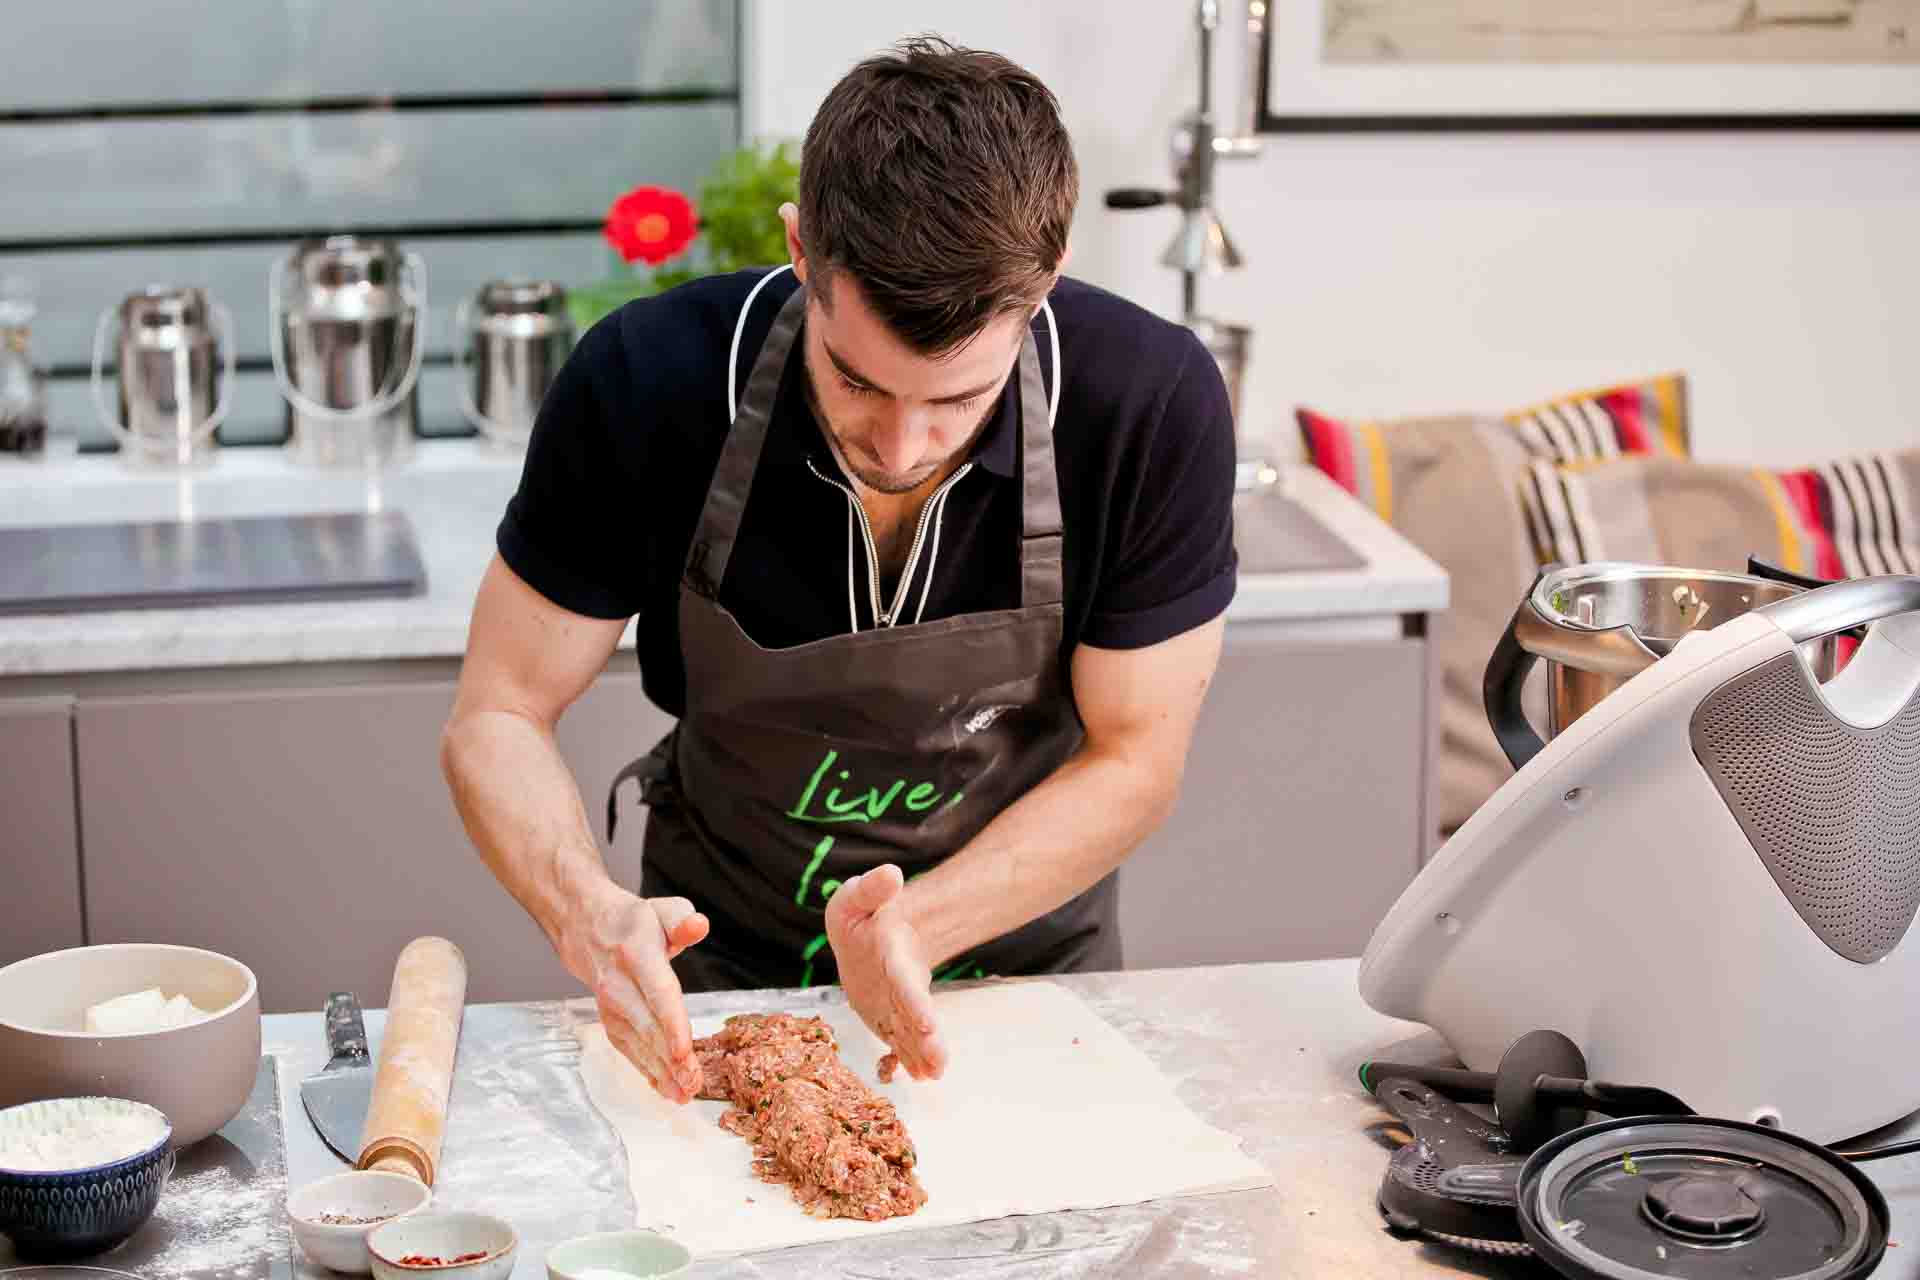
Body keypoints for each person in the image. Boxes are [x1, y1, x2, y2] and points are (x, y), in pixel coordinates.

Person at [442, 38, 1237, 1104]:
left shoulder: (1149, 405)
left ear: (1043, 284)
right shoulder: (648, 380)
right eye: (859, 381)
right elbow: (497, 711)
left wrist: (917, 926)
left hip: (1026, 996)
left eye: (957, 400)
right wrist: (585, 911)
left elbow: (1137, 757)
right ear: (800, 246)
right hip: (716, 990)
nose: (902, 446)